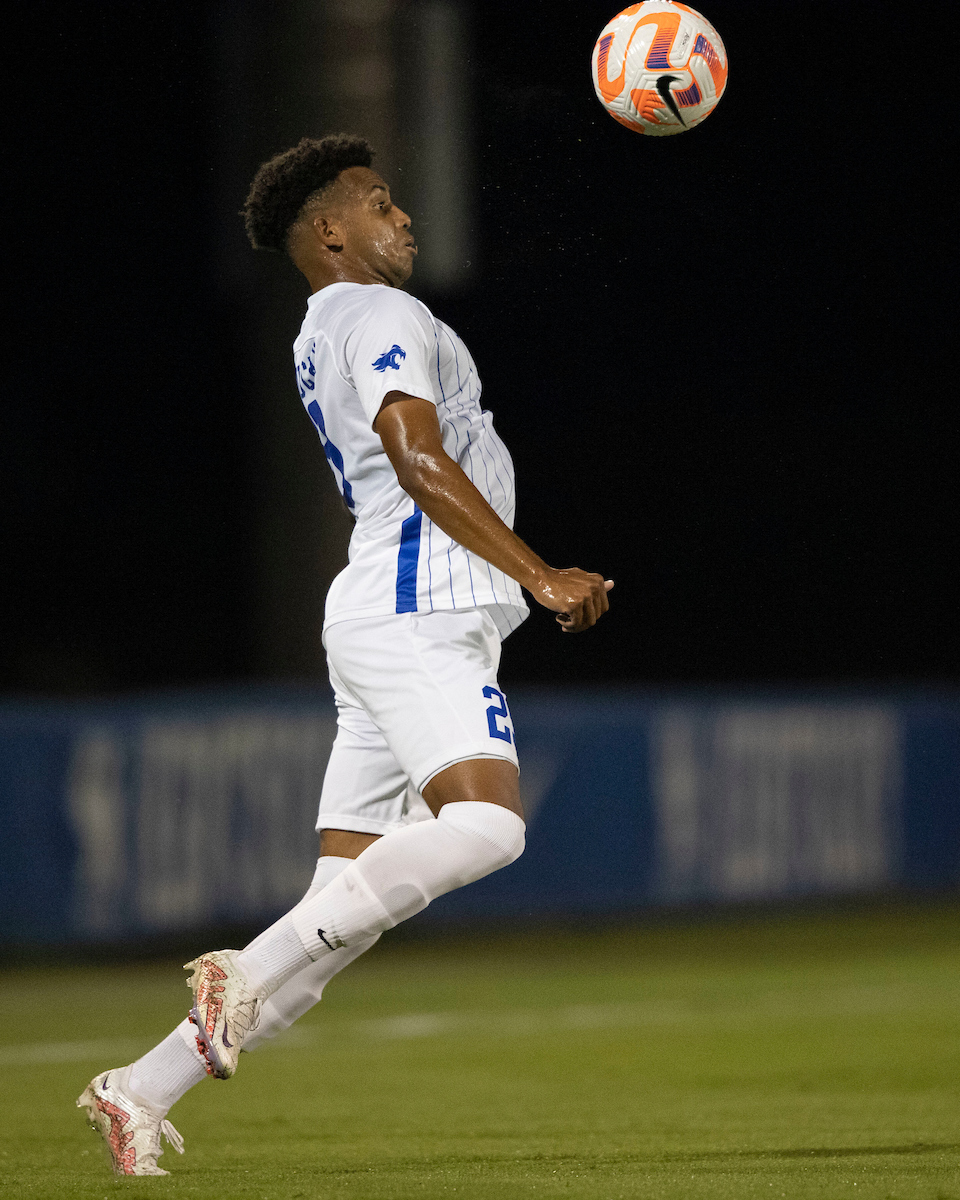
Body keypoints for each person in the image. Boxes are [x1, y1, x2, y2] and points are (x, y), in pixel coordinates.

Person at [77, 134, 613, 1176]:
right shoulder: (378, 313)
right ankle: (246, 963)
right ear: (330, 231)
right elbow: (417, 453)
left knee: (338, 926)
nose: (401, 216)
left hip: (385, 611)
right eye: (378, 202)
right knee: (488, 829)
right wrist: (539, 572)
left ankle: (137, 1089)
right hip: (419, 610)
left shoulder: (322, 324)